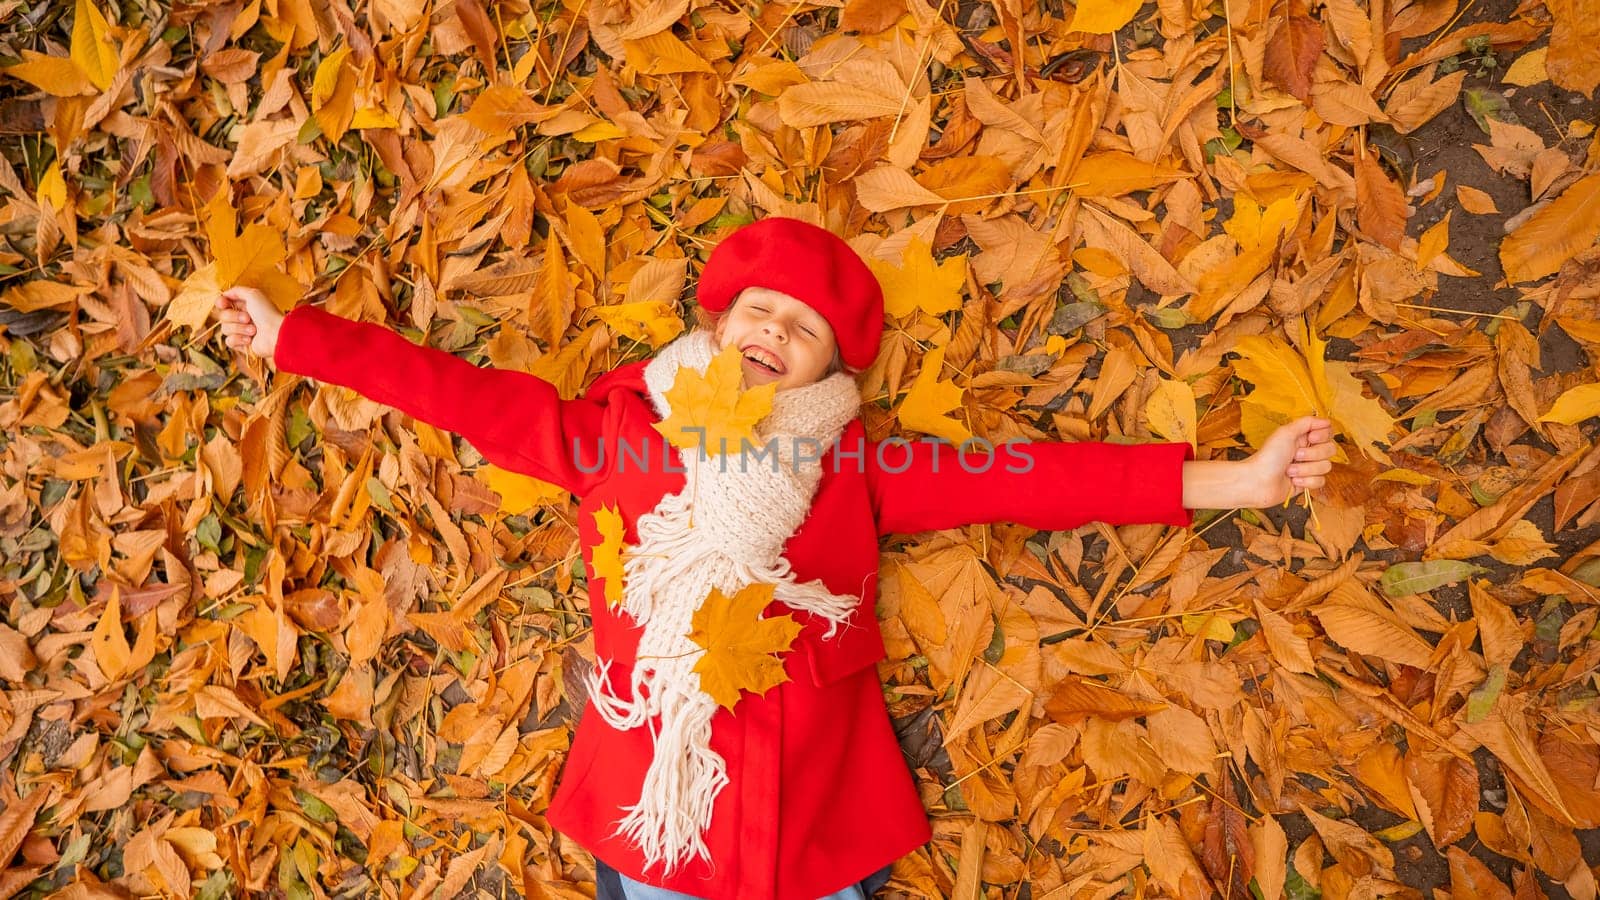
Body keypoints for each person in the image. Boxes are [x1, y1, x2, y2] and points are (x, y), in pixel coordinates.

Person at [213, 216, 1335, 900]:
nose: (773, 331)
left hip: (812, 813)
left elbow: (1033, 478)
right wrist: (290, 338)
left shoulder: (857, 471)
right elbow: (450, 394)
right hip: (658, 802)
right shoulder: (613, 436)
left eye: (801, 330)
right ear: (712, 323)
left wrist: (1236, 479)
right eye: (757, 309)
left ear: (829, 378)